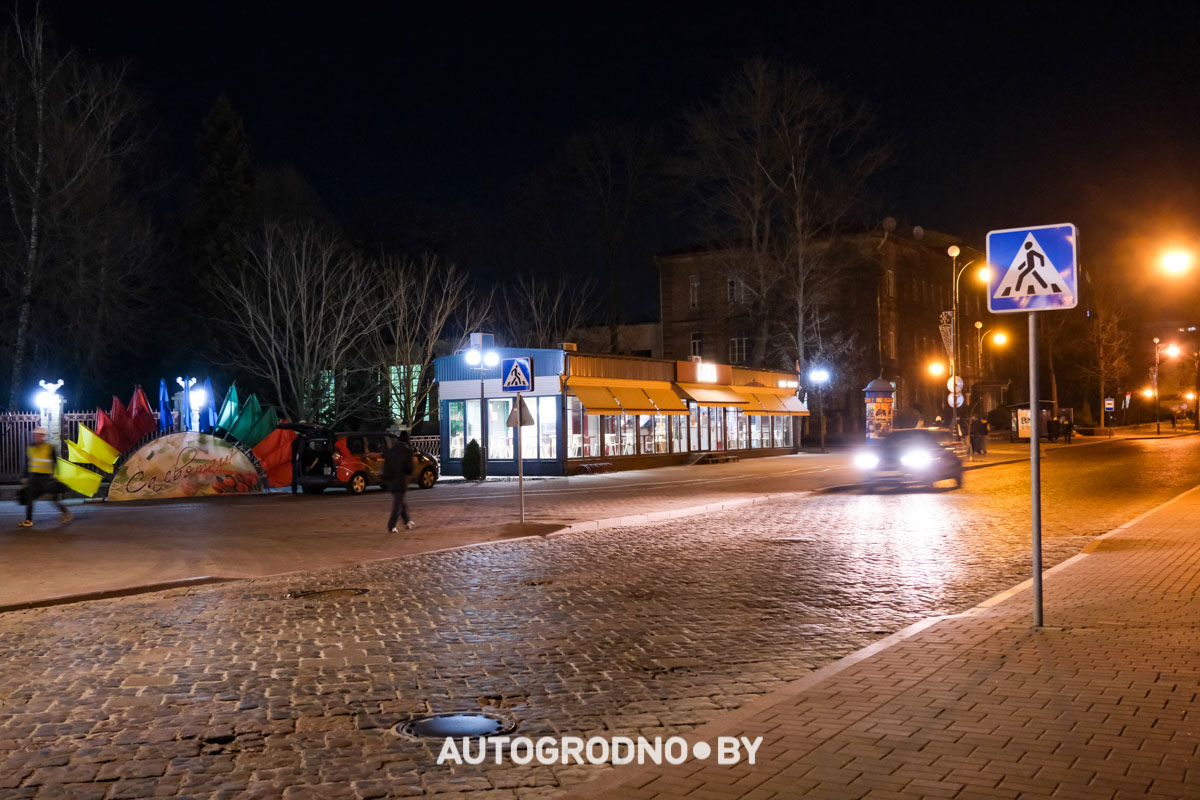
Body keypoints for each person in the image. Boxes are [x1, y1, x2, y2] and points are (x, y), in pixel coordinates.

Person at [20, 428, 70, 527]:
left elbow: (55, 462)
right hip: (34, 477)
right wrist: (24, 476)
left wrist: (55, 475)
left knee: (53, 498)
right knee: (29, 497)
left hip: (45, 478)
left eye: (39, 435)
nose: (36, 436)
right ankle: (28, 520)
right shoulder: (30, 447)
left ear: (43, 436)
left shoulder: (50, 447)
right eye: (35, 435)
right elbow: (27, 462)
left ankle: (66, 512)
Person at [383, 430, 416, 532]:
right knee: (398, 503)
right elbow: (409, 468)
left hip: (390, 479)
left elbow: (386, 464)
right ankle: (391, 525)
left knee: (400, 500)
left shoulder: (392, 449)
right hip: (400, 480)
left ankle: (407, 521)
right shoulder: (407, 450)